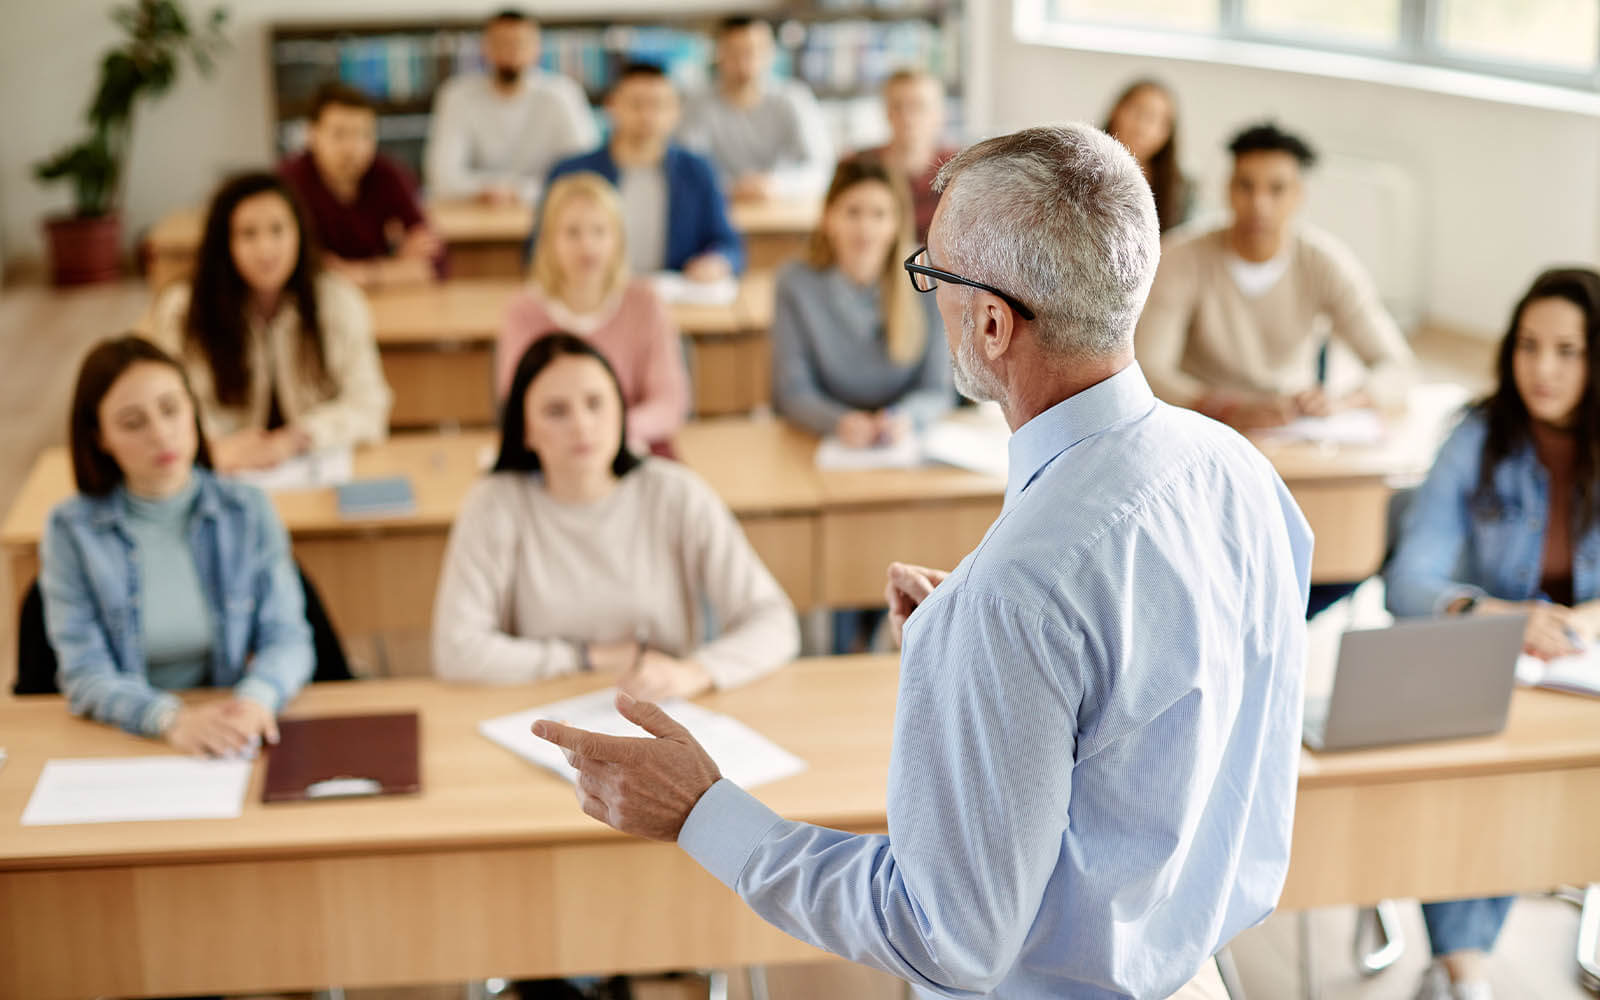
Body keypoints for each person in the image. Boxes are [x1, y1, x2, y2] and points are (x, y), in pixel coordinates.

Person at [535, 124, 1313, 1000]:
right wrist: (995, 659)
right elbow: (1150, 704)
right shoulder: (1237, 468)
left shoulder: (1018, 594)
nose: (924, 293)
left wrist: (704, 812)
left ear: (990, 323)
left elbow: (947, 936)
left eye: (932, 273)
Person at [1384, 267, 1600, 1000]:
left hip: (1579, 678)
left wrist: (1576, 625)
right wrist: (1505, 620)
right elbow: (1410, 582)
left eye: (1569, 351)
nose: (1544, 368)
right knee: (1477, 771)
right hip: (1489, 675)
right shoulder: (1475, 439)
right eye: (1530, 346)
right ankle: (1463, 969)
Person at [434, 332, 798, 698]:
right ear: (525, 430)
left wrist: (694, 672)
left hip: (663, 708)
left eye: (596, 403)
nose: (582, 425)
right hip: (542, 710)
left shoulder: (675, 493)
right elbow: (456, 651)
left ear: (621, 411)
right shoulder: (494, 504)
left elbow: (774, 622)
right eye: (556, 411)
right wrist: (587, 658)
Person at [39, 335, 312, 754]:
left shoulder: (247, 509)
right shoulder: (70, 530)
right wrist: (169, 720)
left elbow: (288, 636)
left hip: (231, 726)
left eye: (171, 409)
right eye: (133, 423)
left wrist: (256, 698)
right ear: (100, 437)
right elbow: (85, 674)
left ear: (193, 410)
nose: (162, 434)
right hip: (130, 733)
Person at [1135, 121, 1414, 431]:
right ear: (1227, 189)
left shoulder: (1325, 263)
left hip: (1291, 425)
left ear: (1299, 195)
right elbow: (1148, 369)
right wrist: (1225, 407)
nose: (1259, 204)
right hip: (1201, 423)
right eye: (1246, 186)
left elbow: (1397, 367)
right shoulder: (1181, 257)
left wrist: (1342, 402)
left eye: (1277, 189)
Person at [147, 171, 392, 473]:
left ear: (299, 233)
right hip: (219, 467)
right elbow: (167, 405)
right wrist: (215, 448)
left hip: (312, 466)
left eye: (278, 230)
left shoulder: (338, 300)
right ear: (225, 243)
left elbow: (369, 404)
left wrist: (297, 438)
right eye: (248, 234)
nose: (265, 250)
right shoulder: (183, 310)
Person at [499, 173, 689, 452]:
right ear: (549, 240)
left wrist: (608, 433)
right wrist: (575, 437)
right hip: (553, 455)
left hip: (633, 447)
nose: (587, 246)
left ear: (617, 239)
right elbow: (516, 405)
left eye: (599, 231)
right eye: (572, 232)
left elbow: (669, 404)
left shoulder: (646, 303)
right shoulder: (523, 311)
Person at [771, 157, 951, 444]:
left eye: (879, 214)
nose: (865, 229)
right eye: (853, 212)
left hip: (904, 439)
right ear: (828, 218)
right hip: (824, 439)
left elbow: (937, 389)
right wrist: (837, 422)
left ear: (896, 223)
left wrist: (906, 418)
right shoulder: (795, 283)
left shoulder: (927, 277)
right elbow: (793, 392)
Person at [546, 61, 743, 280]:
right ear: (612, 106)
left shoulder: (698, 171)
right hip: (592, 297)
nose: (648, 116)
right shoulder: (571, 172)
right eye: (637, 104)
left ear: (676, 112)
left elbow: (728, 244)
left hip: (673, 296)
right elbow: (539, 249)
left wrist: (718, 262)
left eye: (659, 105)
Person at [424, 9, 598, 205]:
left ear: (537, 48)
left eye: (520, 43)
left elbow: (583, 172)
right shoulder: (456, 96)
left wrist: (519, 193)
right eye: (501, 43)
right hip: (475, 213)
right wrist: (489, 191)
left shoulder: (563, 95)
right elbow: (441, 177)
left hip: (549, 210)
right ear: (484, 48)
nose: (510, 51)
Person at [280, 82, 442, 288]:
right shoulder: (289, 182)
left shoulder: (388, 175)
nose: (353, 148)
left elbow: (434, 263)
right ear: (312, 134)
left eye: (363, 134)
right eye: (339, 134)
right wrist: (394, 268)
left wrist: (359, 274)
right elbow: (299, 270)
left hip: (385, 304)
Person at [678, 16, 833, 202]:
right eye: (734, 53)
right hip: (718, 206)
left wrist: (776, 185)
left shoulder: (793, 99)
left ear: (772, 53)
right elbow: (685, 168)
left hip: (783, 207)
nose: (744, 63)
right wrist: (731, 187)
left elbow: (821, 168)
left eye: (753, 51)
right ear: (719, 55)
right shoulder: (698, 104)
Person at [859, 68, 957, 243]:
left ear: (939, 114)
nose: (907, 117)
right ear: (886, 112)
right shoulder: (860, 167)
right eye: (898, 106)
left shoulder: (959, 170)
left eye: (918, 106)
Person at [1102, 78, 1191, 233]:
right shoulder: (1076, 165)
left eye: (1156, 120)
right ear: (1115, 111)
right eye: (1137, 112)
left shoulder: (1181, 189)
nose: (1143, 127)